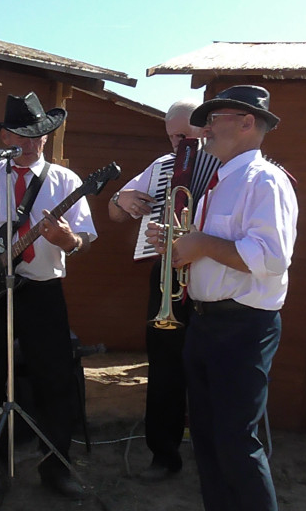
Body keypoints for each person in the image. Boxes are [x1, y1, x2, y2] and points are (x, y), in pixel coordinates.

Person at [152, 85, 297, 511]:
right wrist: (177, 249)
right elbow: (208, 253)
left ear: (247, 123)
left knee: (235, 442)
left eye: (216, 119)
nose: (206, 128)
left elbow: (272, 258)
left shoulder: (266, 181)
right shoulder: (218, 182)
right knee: (207, 440)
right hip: (206, 322)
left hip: (244, 327)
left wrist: (202, 245)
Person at [0, 92, 96, 501]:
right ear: (5, 134)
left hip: (43, 291)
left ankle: (56, 468)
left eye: (39, 137)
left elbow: (84, 239)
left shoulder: (66, 182)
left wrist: (69, 239)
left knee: (55, 380)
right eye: (22, 136)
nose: (31, 145)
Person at [107, 98, 219, 481]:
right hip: (166, 275)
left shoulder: (228, 167)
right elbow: (116, 212)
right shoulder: (161, 167)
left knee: (209, 370)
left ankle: (216, 460)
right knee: (165, 369)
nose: (179, 144)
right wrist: (119, 199)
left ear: (205, 130)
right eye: (173, 136)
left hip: (213, 278)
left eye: (186, 135)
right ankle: (164, 455)